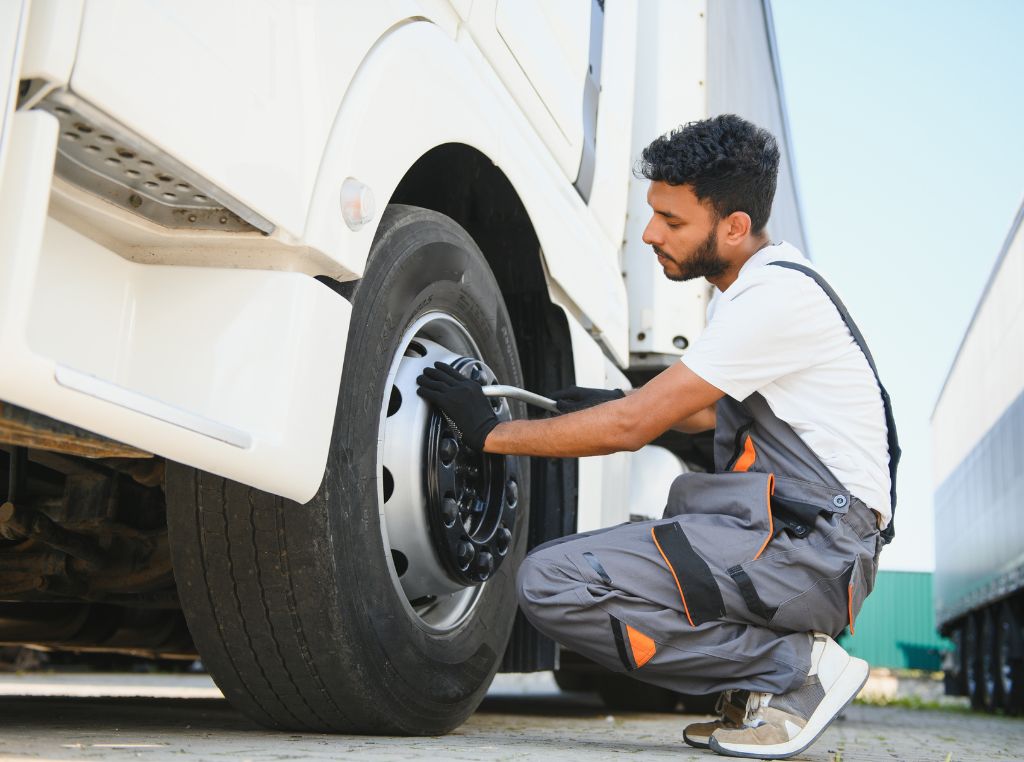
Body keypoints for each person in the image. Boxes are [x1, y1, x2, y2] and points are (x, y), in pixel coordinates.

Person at [416, 114, 899, 760]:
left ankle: (793, 671)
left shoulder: (774, 299)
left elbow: (633, 428)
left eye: (672, 221)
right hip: (805, 541)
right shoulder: (757, 291)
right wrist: (601, 400)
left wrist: (492, 434)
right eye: (653, 215)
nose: (649, 234)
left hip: (812, 548)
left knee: (551, 584)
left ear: (733, 227)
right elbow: (701, 416)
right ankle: (767, 682)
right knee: (613, 551)